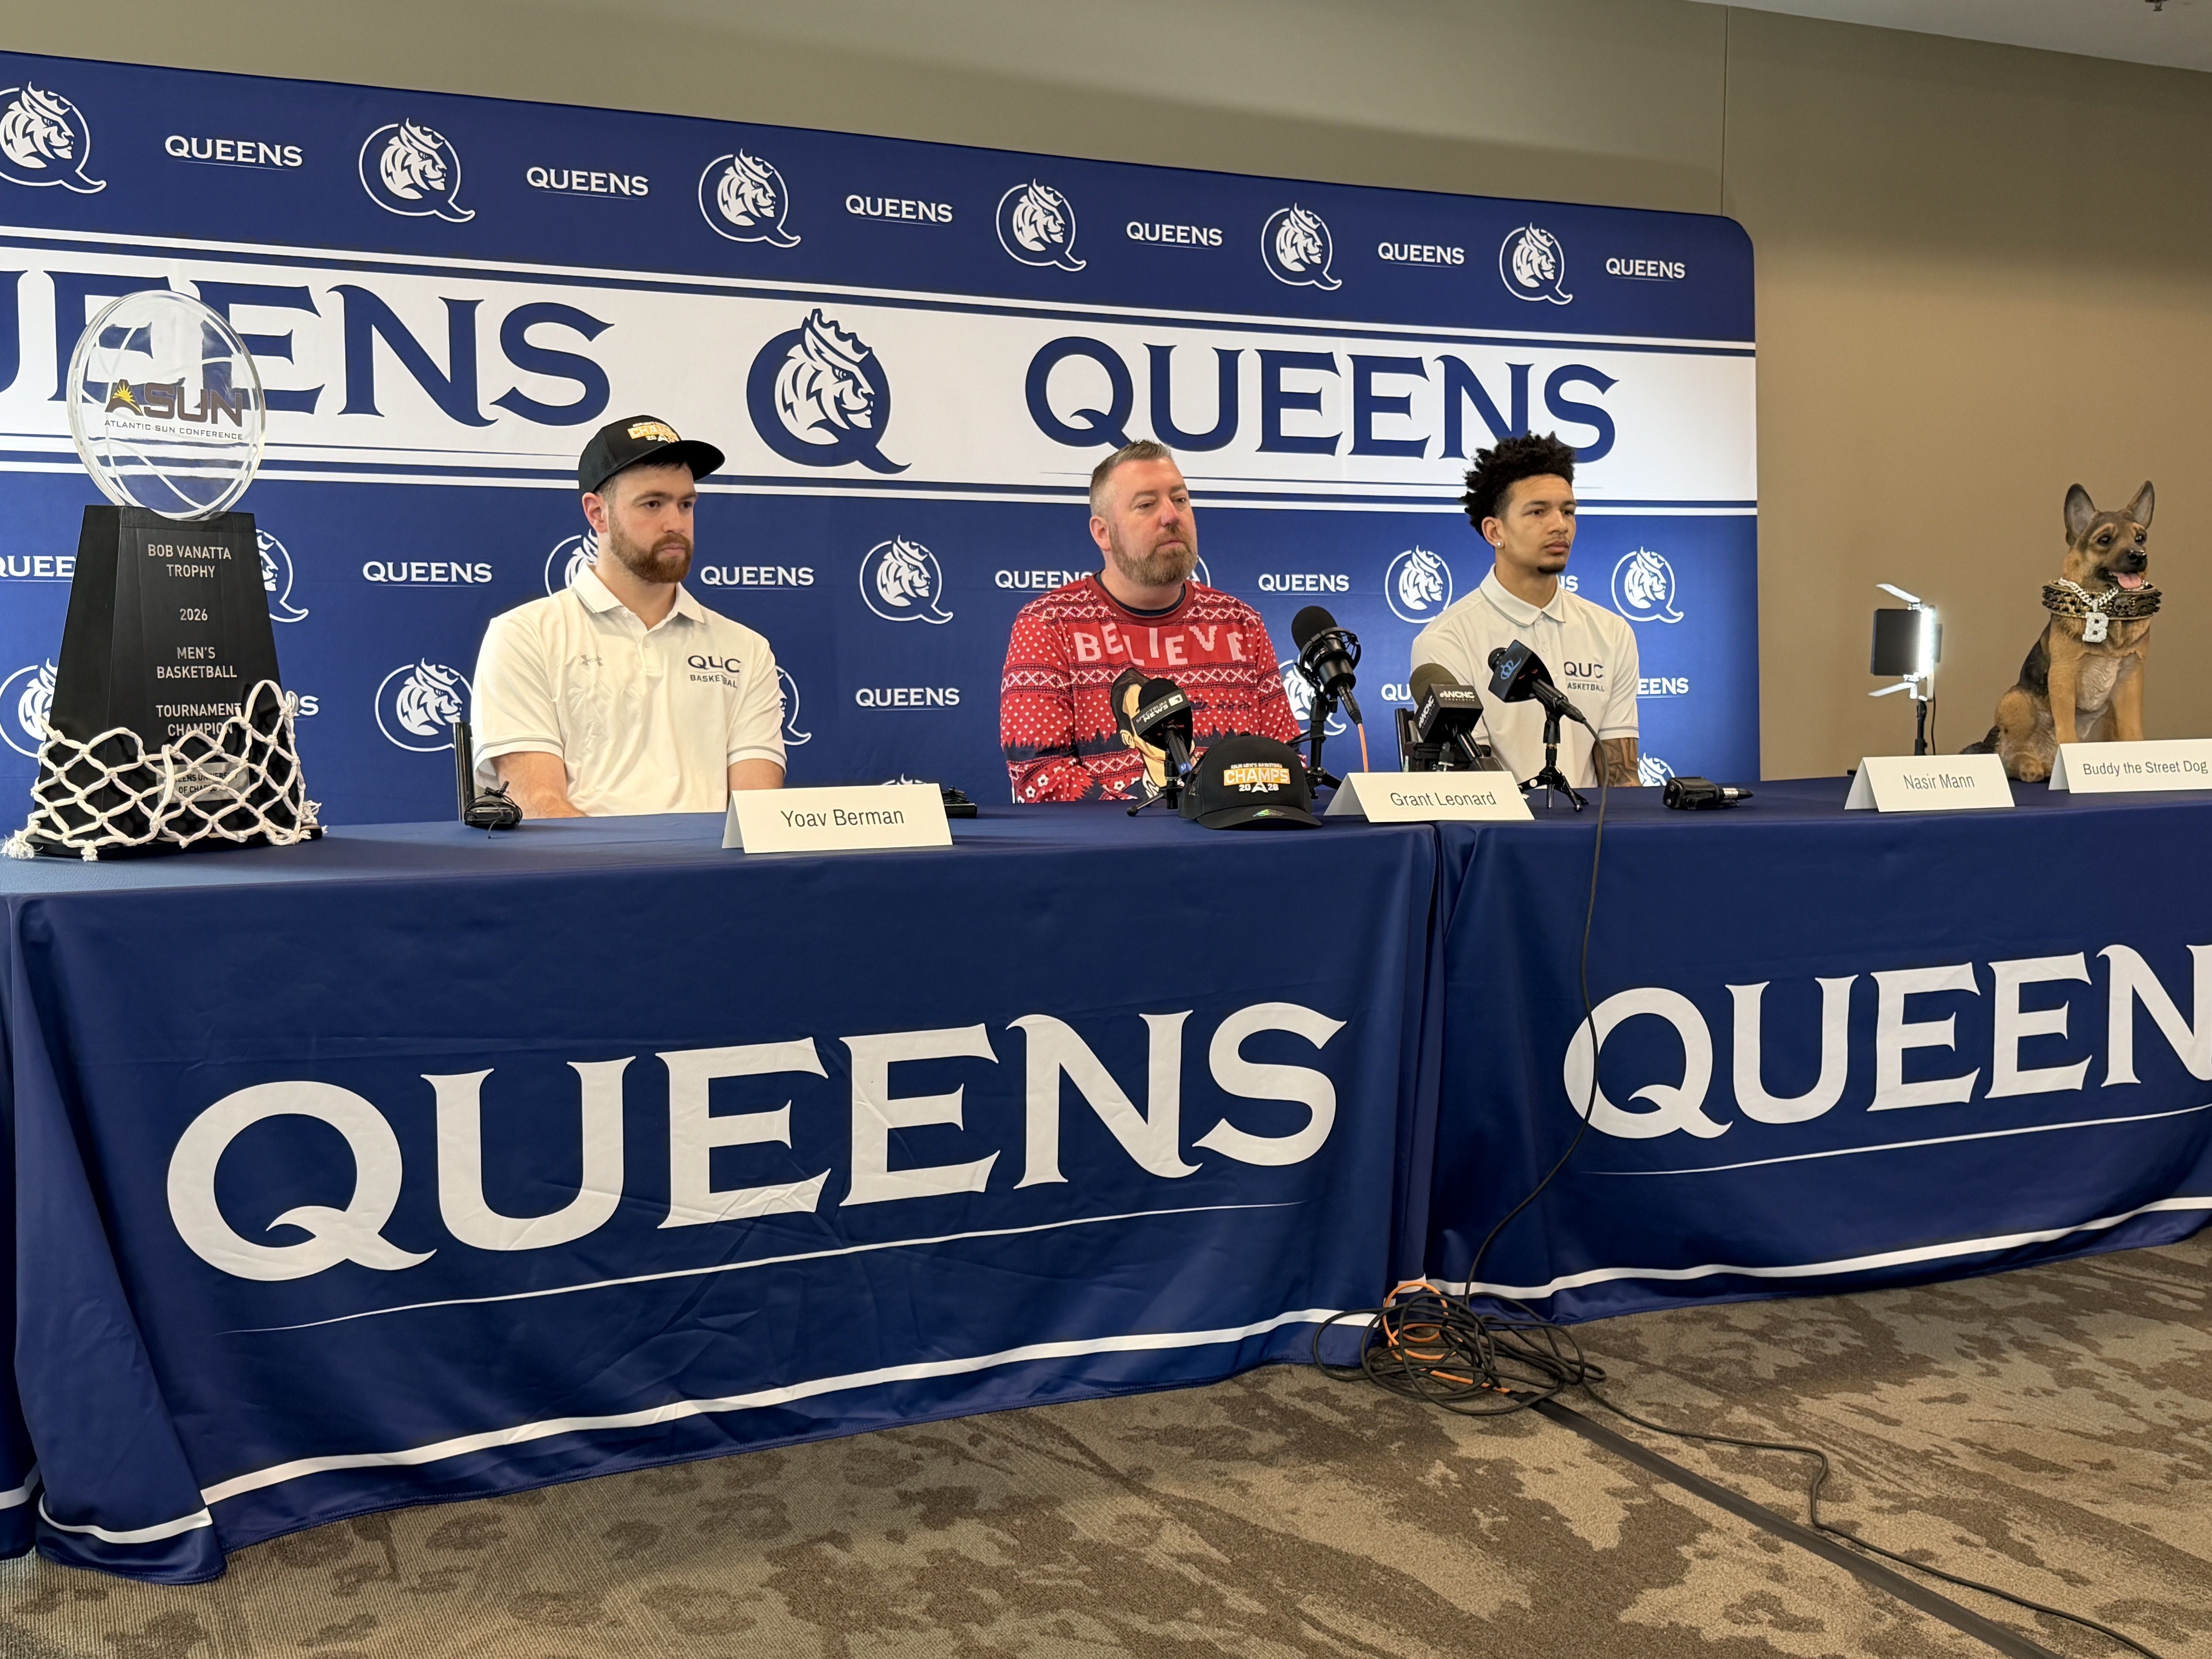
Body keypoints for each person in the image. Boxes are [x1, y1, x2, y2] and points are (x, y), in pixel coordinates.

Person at [471, 416, 787, 816]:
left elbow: (757, 814)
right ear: (597, 514)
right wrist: (638, 877)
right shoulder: (524, 636)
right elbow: (539, 806)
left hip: (712, 877)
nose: (676, 524)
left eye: (686, 504)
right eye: (653, 504)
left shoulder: (746, 649)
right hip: (585, 875)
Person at [1001, 440, 1298, 802]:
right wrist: (1156, 822)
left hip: (1234, 844)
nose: (1172, 516)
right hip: (1113, 852)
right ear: (1103, 533)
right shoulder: (1049, 624)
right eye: (1146, 505)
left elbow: (1285, 757)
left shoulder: (1241, 624)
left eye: (1181, 500)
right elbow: (1038, 774)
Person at [1409, 432, 1639, 788]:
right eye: (1538, 511)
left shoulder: (1611, 632)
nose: (1560, 525)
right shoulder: (1446, 639)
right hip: (1498, 839)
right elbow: (1471, 783)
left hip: (1592, 838)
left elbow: (1622, 778)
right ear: (1494, 531)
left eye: (1568, 511)